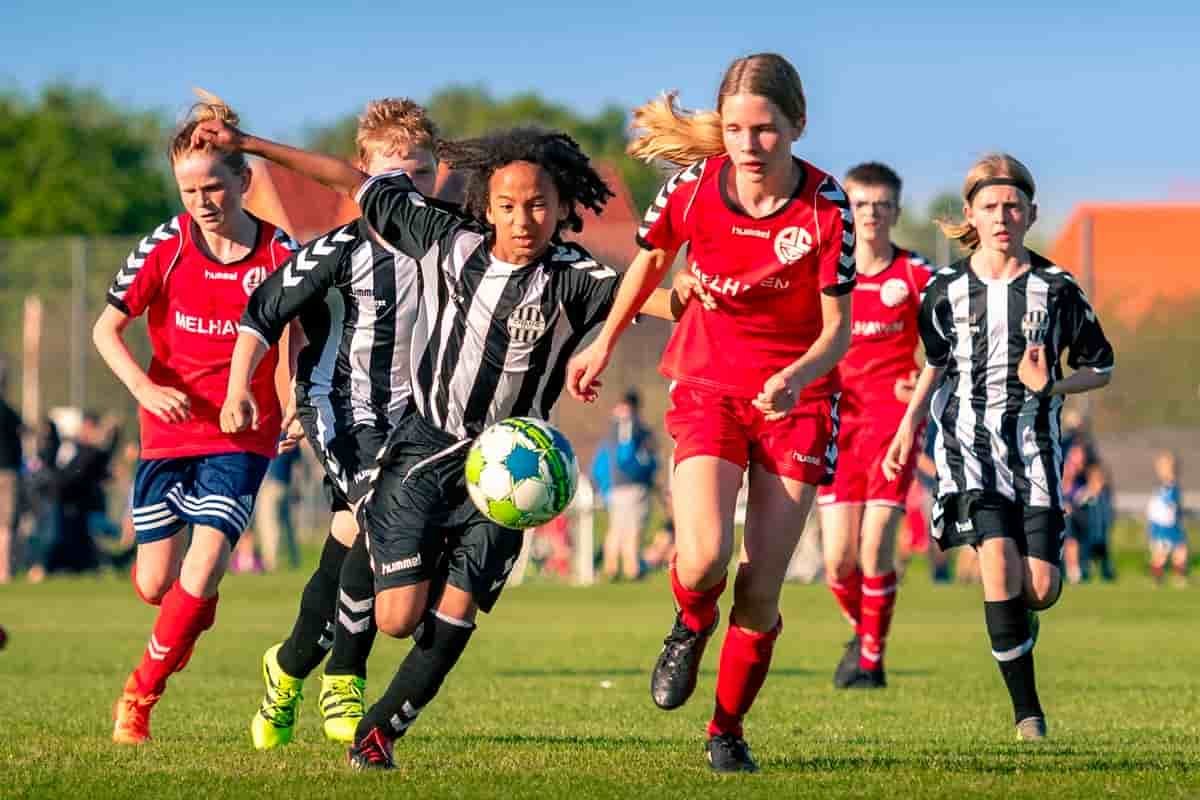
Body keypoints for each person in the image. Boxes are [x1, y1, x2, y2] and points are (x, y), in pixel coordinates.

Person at [193, 115, 684, 769]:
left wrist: (699, 293)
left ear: (562, 204)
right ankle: (322, 657)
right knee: (396, 619)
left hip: (510, 467)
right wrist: (252, 146)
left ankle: (377, 735)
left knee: (458, 608)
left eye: (539, 204)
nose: (524, 220)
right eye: (508, 205)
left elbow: (651, 297)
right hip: (422, 452)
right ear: (487, 205)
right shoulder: (446, 239)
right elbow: (351, 180)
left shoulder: (572, 274)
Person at [567, 53, 855, 772]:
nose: (749, 145)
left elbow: (837, 332)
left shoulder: (827, 206)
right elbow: (647, 262)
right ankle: (690, 623)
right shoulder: (692, 188)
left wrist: (795, 376)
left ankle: (726, 730)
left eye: (765, 129)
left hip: (797, 402)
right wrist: (604, 343)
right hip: (707, 386)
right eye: (734, 129)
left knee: (759, 588)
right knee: (700, 561)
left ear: (798, 125)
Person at [225, 98, 446, 749]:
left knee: (350, 543)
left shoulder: (451, 244)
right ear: (362, 175)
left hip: (416, 424)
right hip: (343, 412)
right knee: (380, 526)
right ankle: (344, 678)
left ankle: (287, 668)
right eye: (391, 176)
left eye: (421, 173)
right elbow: (263, 313)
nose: (408, 190)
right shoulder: (339, 250)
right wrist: (242, 390)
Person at [883, 153, 1115, 741]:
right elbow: (936, 363)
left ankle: (1018, 628)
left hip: (1036, 455)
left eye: (1013, 206)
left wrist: (1052, 386)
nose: (1002, 216)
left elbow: (1102, 366)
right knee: (997, 564)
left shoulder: (1057, 288)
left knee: (1040, 588)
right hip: (968, 452)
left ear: (1031, 214)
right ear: (971, 214)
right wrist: (908, 424)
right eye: (990, 206)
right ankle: (1028, 714)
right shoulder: (943, 291)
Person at [93, 91, 296, 745]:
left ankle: (139, 697)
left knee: (203, 566)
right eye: (189, 190)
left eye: (213, 186)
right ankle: (187, 611)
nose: (203, 201)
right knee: (158, 585)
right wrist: (145, 389)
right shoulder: (167, 244)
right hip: (169, 429)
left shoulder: (279, 252)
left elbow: (298, 336)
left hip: (242, 433)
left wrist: (294, 401)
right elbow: (105, 330)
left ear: (243, 180)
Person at [815, 162, 931, 689]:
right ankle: (866, 635)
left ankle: (870, 662)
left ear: (896, 212)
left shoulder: (915, 274)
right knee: (838, 560)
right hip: (837, 425)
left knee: (876, 544)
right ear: (847, 210)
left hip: (892, 426)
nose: (871, 214)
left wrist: (924, 381)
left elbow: (951, 340)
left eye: (882, 205)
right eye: (861, 204)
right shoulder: (824, 273)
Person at [591, 389, 658, 581]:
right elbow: (628, 456)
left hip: (614, 485)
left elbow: (603, 460)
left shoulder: (612, 427)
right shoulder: (631, 425)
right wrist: (646, 471)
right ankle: (632, 568)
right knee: (634, 527)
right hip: (632, 484)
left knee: (616, 528)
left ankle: (611, 568)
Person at [1147, 451, 1188, 587]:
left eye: (1168, 466)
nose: (1165, 470)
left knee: (1180, 552)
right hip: (1162, 527)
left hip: (1174, 526)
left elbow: (1174, 506)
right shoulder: (1162, 489)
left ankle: (1179, 578)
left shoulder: (1173, 487)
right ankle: (1157, 579)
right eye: (1162, 467)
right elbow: (1158, 509)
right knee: (1160, 554)